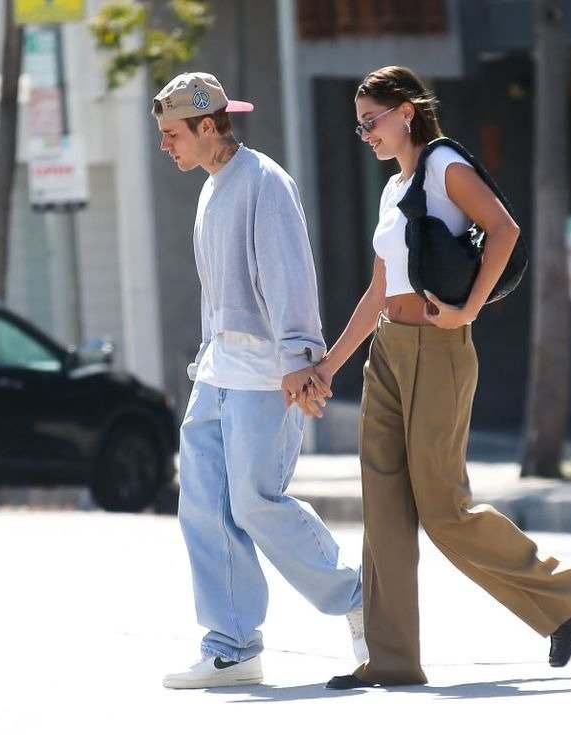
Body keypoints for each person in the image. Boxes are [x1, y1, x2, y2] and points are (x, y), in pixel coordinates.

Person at [302, 66, 571, 690]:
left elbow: (506, 231)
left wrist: (467, 309)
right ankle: (392, 659)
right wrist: (329, 364)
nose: (365, 134)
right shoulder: (393, 187)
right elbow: (380, 287)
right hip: (389, 350)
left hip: (439, 346)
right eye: (358, 126)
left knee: (443, 509)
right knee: (382, 506)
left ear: (405, 112)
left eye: (371, 121)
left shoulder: (441, 164)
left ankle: (559, 593)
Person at [153, 72, 364, 690]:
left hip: (265, 380)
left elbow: (289, 273)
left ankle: (358, 597)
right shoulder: (211, 188)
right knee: (202, 506)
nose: (166, 146)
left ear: (208, 126)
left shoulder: (264, 182)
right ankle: (231, 646)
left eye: (173, 135)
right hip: (216, 375)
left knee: (254, 502)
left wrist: (302, 359)